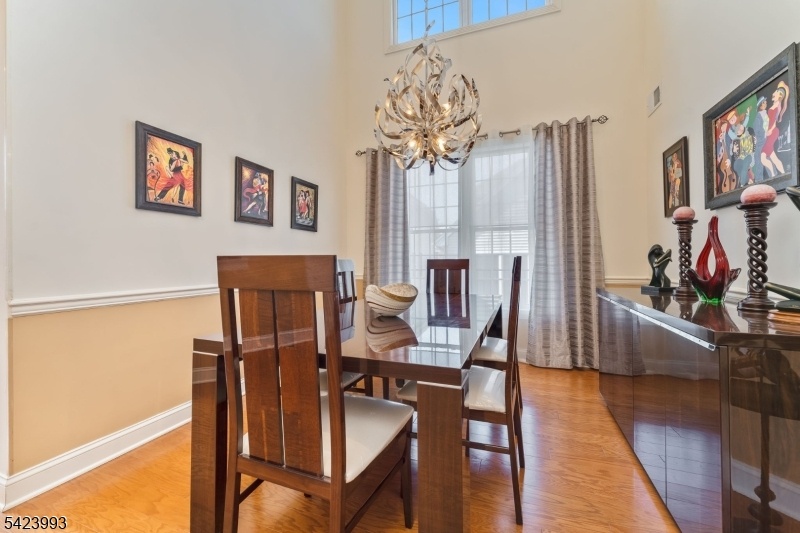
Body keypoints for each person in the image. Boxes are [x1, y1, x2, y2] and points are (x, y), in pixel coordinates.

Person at [761, 80, 789, 177]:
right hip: (770, 132)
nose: (774, 93)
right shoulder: (775, 105)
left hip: (772, 132)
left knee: (763, 157)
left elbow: (774, 121)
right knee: (773, 156)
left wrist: (770, 130)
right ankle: (783, 174)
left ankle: (773, 175)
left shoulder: (777, 105)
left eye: (777, 92)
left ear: (780, 95)